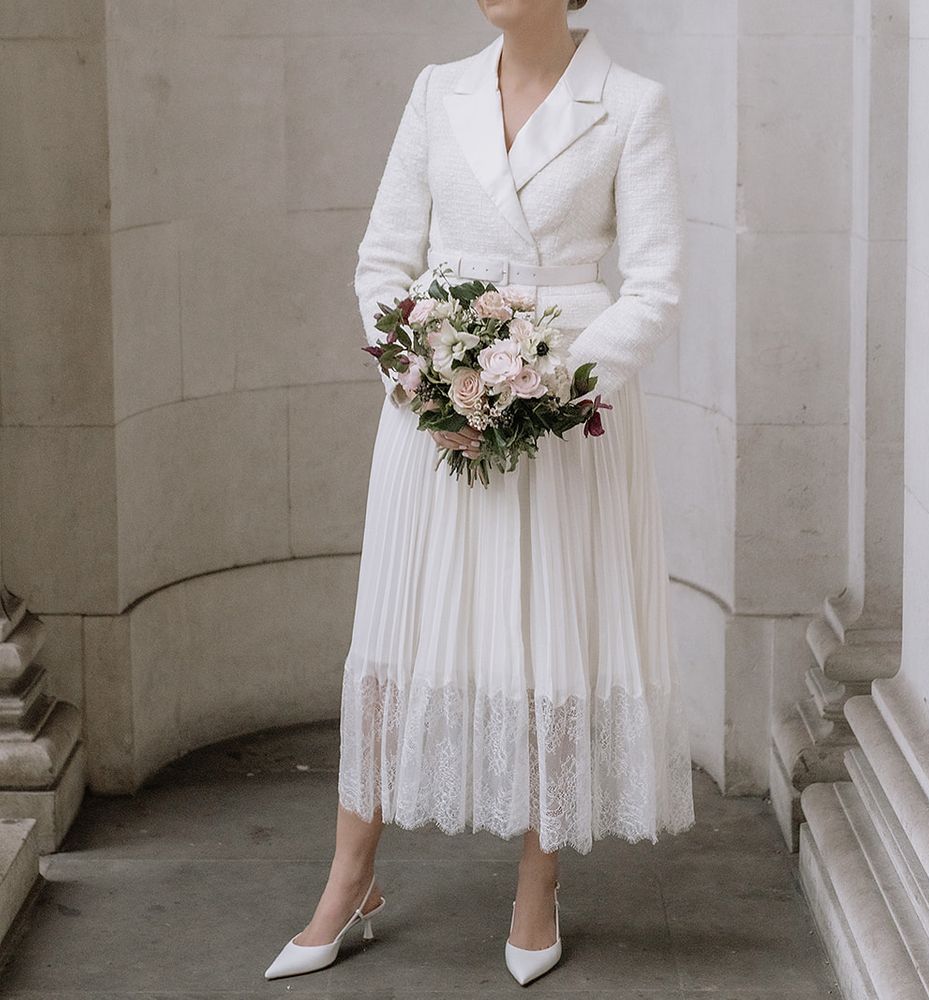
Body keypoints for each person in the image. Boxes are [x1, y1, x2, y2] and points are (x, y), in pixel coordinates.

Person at [265, 0, 695, 986]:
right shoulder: (434, 92)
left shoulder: (630, 104)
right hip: (433, 411)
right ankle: (348, 880)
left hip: (565, 414)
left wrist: (553, 385)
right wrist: (423, 380)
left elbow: (656, 282)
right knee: (398, 629)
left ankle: (538, 886)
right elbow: (383, 263)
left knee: (549, 634)